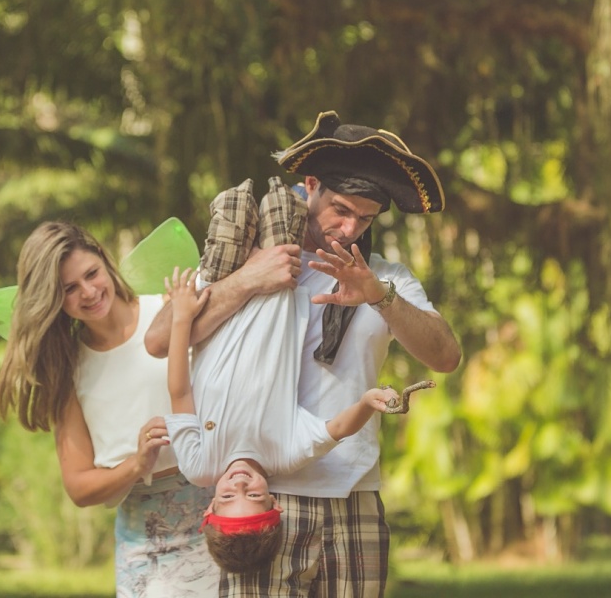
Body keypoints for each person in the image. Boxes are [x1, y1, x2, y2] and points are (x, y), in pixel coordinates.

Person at [146, 111, 462, 597]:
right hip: (263, 494)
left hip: (354, 492)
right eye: (340, 209)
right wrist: (249, 279)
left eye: (365, 218)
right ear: (310, 185)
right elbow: (159, 339)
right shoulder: (249, 257)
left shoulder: (385, 277)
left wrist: (378, 296)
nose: (349, 228)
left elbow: (445, 356)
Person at [161, 177, 405, 575]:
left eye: (228, 496)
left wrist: (182, 319)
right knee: (284, 205)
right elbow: (336, 429)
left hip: (226, 283)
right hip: (280, 287)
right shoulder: (284, 455)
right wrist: (365, 402)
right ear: (274, 502)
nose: (239, 483)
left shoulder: (199, 465)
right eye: (254, 495)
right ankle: (303, 184)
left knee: (232, 207)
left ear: (210, 504)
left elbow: (178, 391)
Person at [0, 221, 219, 598]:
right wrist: (136, 464)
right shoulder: (68, 369)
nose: (89, 292)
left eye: (91, 274)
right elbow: (79, 486)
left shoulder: (169, 311)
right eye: (68, 289)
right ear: (52, 299)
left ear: (103, 258)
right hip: (146, 548)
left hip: (221, 514)